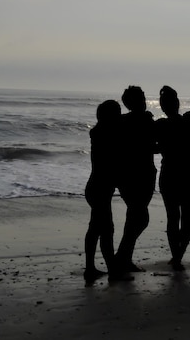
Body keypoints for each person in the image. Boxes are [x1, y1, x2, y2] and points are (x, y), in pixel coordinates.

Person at [114, 86, 157, 273]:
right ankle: (122, 257)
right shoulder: (145, 120)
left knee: (134, 216)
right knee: (140, 217)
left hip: (127, 175)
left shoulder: (122, 121)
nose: (144, 100)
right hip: (140, 174)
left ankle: (124, 257)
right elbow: (151, 146)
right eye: (141, 97)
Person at [155, 85, 190, 270]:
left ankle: (176, 256)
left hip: (169, 174)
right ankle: (178, 255)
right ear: (178, 103)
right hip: (188, 175)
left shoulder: (160, 125)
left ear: (163, 106)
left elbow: (152, 147)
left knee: (173, 218)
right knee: (187, 219)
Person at [84, 99, 122, 284]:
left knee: (96, 228)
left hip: (95, 187)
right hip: (99, 188)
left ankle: (91, 267)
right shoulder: (106, 136)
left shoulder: (99, 133)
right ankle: (112, 270)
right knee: (106, 230)